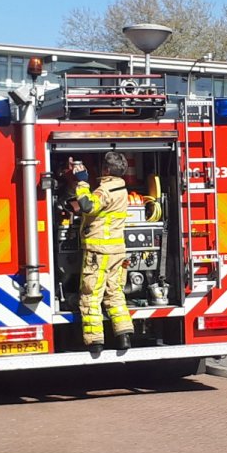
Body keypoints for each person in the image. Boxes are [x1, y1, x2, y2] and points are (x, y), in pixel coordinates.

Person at [69, 152, 134, 354]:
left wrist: (82, 182)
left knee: (91, 295)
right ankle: (123, 336)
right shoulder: (122, 189)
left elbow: (88, 207)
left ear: (105, 170)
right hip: (117, 251)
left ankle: (95, 341)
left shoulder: (104, 190)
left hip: (99, 250)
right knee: (115, 293)